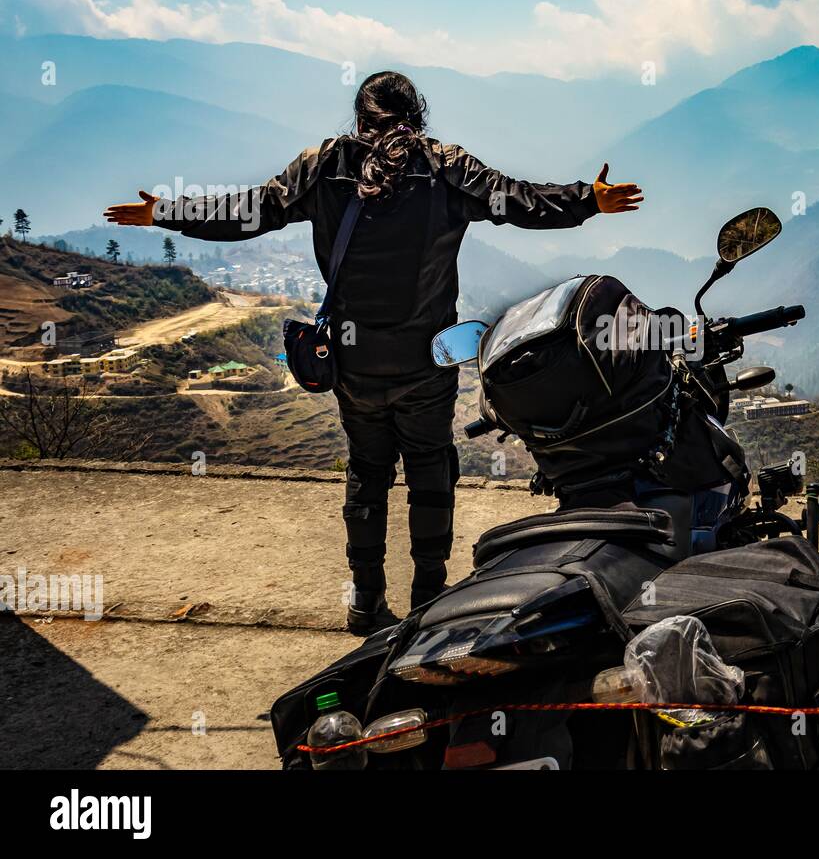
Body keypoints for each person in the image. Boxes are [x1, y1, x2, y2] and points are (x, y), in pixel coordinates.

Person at [104, 71, 643, 635]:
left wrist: (166, 212)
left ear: (359, 118)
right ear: (418, 116)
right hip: (424, 357)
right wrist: (590, 200)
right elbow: (518, 201)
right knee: (431, 470)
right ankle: (429, 602)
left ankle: (365, 602)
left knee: (368, 470)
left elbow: (250, 211)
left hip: (354, 361)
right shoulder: (446, 167)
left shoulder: (320, 167)